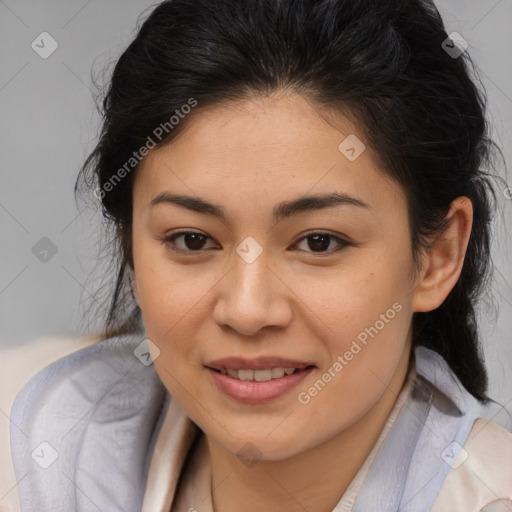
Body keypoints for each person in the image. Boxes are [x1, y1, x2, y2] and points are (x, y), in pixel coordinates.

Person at [9, 0, 512, 511]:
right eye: (192, 240)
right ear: (130, 248)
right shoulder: (32, 454)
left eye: (319, 241)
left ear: (437, 254)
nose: (248, 311)